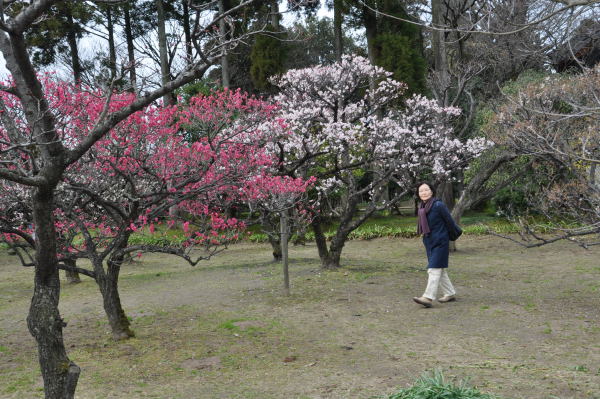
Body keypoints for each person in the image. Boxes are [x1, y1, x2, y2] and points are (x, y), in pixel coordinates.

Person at [412, 182, 460, 308]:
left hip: (440, 241)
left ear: (431, 191)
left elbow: (449, 221)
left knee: (433, 269)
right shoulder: (422, 207)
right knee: (440, 269)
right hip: (429, 242)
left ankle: (428, 297)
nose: (423, 192)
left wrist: (452, 236)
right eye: (421, 191)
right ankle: (450, 293)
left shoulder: (438, 205)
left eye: (426, 190)